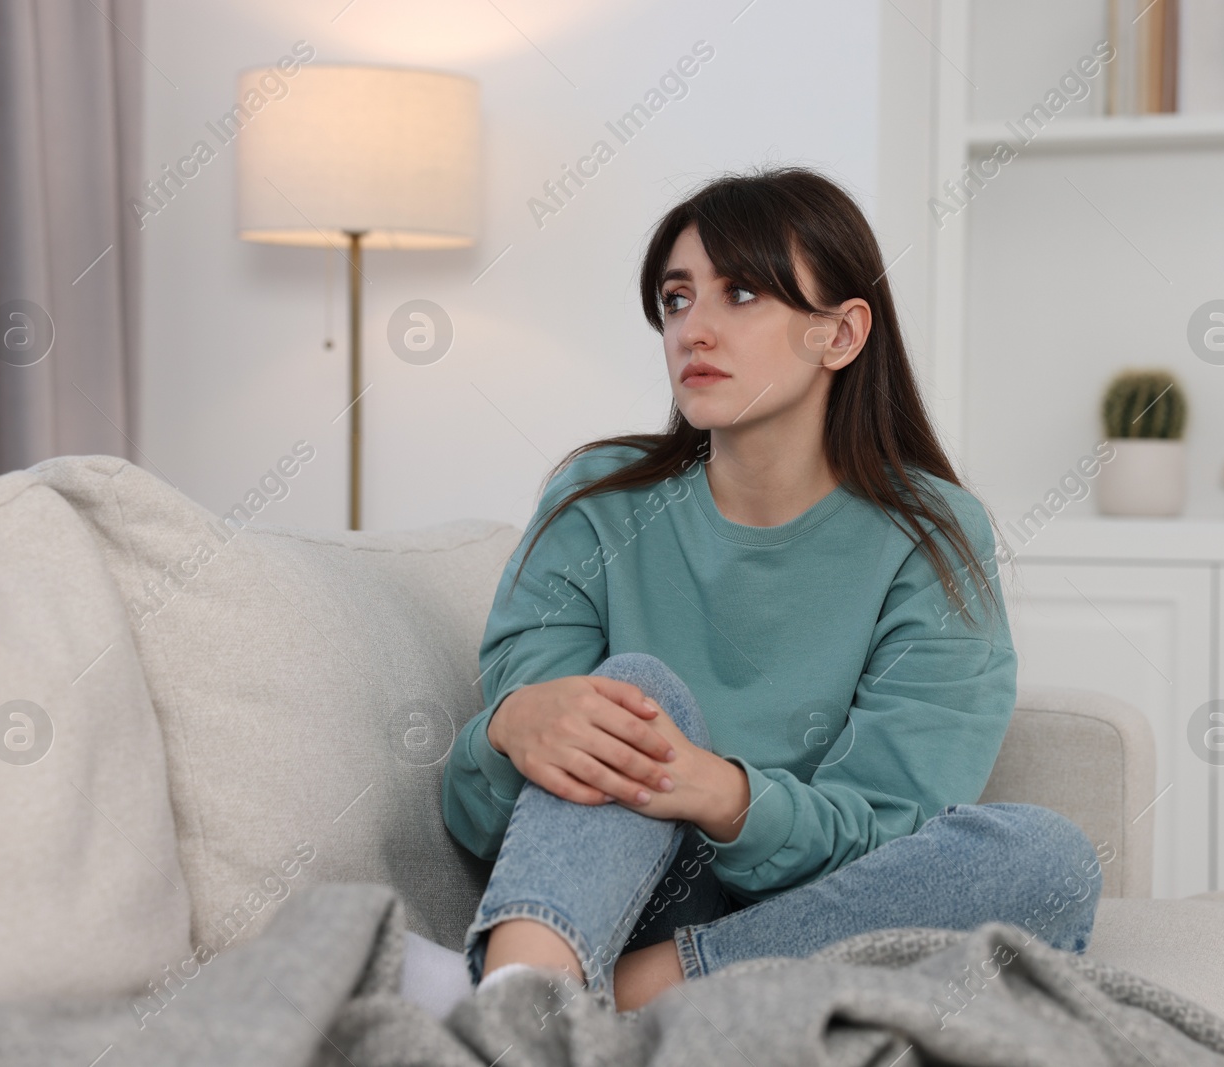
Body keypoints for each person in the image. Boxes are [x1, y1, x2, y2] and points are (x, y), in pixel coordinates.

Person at [435, 164, 1103, 1017]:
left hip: (811, 919)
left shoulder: (931, 535)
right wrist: (508, 725)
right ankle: (519, 999)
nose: (694, 330)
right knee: (635, 698)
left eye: (742, 293)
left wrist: (726, 795)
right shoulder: (596, 501)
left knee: (1049, 858)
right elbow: (488, 811)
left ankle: (600, 1006)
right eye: (677, 300)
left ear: (841, 334)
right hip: (613, 901)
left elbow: (892, 829)